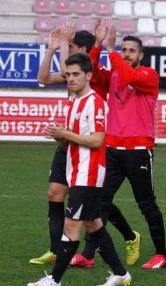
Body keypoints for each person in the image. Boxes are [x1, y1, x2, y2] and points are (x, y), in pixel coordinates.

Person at [30, 22, 141, 269]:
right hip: (68, 143)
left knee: (98, 205)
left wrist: (99, 44)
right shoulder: (73, 76)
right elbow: (43, 77)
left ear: (82, 52)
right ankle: (57, 250)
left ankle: (129, 237)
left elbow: (79, 64)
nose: (69, 75)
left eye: (71, 47)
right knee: (56, 194)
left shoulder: (96, 74)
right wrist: (52, 48)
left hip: (90, 147)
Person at [85, 25, 166, 269]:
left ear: (141, 55)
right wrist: (98, 45)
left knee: (146, 204)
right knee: (99, 200)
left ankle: (161, 254)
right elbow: (89, 73)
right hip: (112, 149)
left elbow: (130, 77)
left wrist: (111, 50)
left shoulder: (149, 75)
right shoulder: (113, 76)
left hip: (139, 151)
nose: (127, 54)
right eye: (124, 50)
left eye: (132, 51)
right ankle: (91, 254)